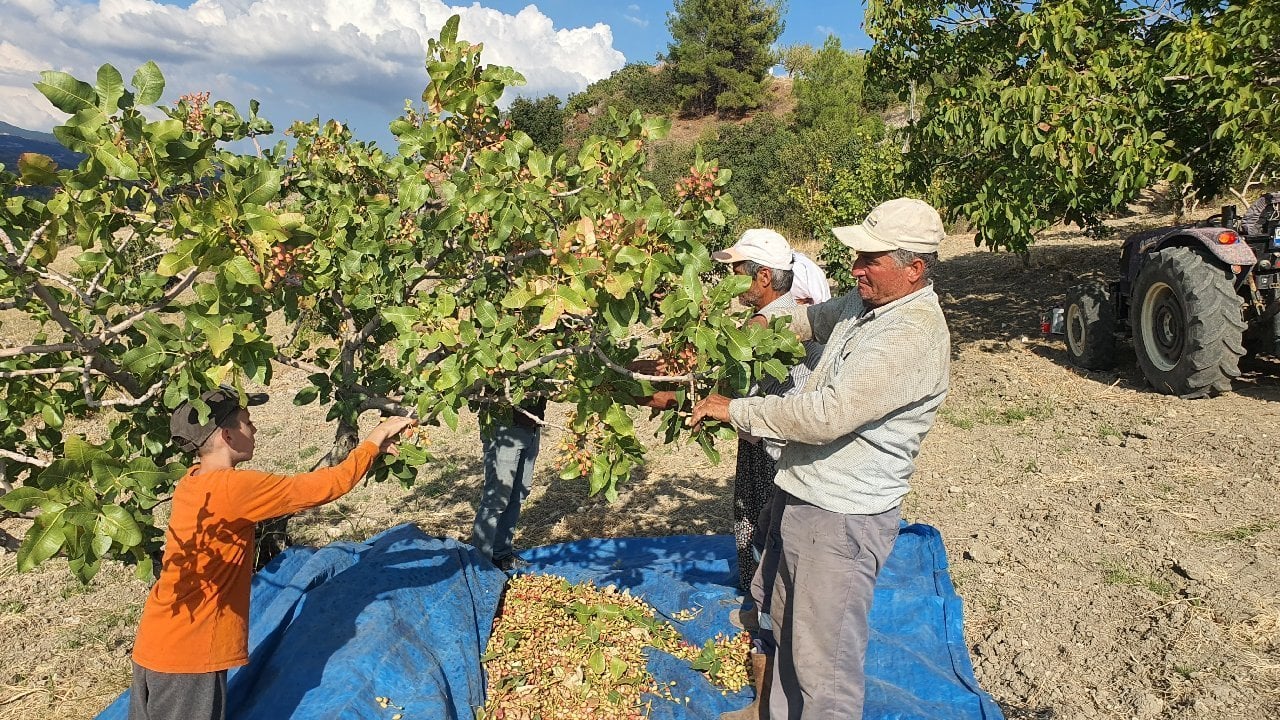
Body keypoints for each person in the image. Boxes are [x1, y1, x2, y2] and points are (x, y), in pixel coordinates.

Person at [692, 197, 952, 720]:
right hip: (806, 490)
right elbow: (805, 322)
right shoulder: (867, 305)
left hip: (842, 516)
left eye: (869, 259)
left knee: (824, 666)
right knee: (786, 622)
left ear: (914, 269)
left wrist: (735, 409)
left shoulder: (910, 333)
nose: (854, 268)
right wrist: (726, 339)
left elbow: (827, 414)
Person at [129, 384, 416, 720]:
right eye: (247, 421)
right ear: (228, 435)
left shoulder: (192, 482)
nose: (255, 428)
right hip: (188, 655)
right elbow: (326, 486)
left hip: (156, 642)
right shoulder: (234, 489)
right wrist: (376, 437)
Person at [710, 229, 825, 596]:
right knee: (766, 528)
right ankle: (765, 603)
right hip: (771, 439)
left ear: (763, 277)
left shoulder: (767, 327)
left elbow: (732, 388)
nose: (731, 283)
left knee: (768, 531)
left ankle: (766, 611)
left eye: (737, 272)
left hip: (777, 447)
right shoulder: (795, 313)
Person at [472, 398, 546, 571]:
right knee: (497, 498)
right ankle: (480, 565)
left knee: (519, 493)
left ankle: (501, 556)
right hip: (504, 426)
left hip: (531, 425)